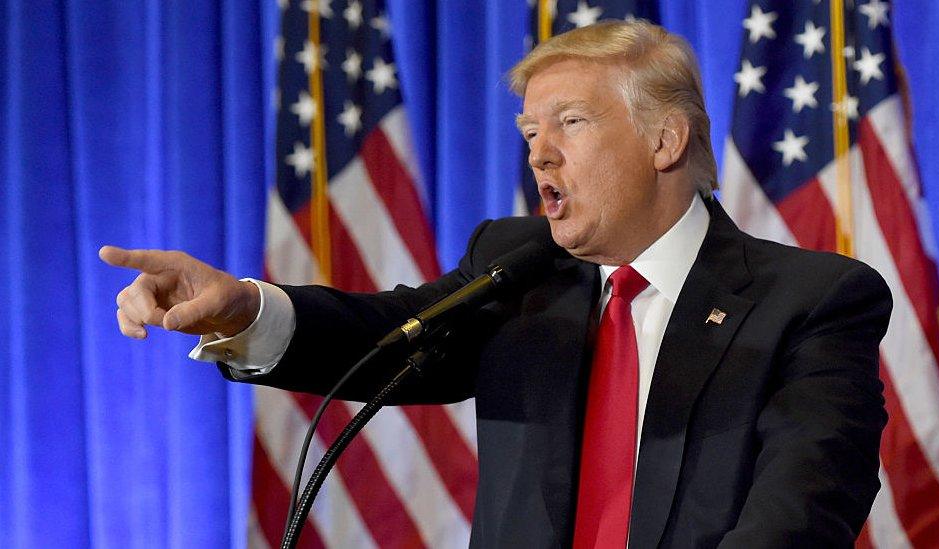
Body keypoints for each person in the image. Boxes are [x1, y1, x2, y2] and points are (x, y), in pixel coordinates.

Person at [101, 21, 892, 548]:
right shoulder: (519, 271)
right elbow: (387, 337)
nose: (540, 153)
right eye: (529, 133)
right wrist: (246, 307)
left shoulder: (810, 300)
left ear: (665, 138)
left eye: (571, 123)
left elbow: (807, 504)